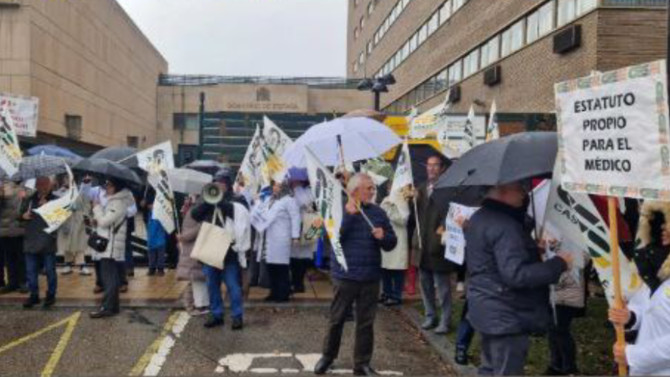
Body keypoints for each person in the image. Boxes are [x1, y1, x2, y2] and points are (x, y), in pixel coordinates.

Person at [464, 182, 572, 376]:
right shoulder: (506, 226)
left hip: (487, 307)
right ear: (504, 191)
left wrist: (530, 250)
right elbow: (516, 275)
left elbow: (492, 260)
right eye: (519, 189)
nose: (524, 194)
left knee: (489, 369)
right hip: (506, 313)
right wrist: (558, 264)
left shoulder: (479, 217)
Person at [314, 173, 397, 376]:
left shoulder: (378, 213)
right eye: (368, 188)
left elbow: (391, 243)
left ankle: (362, 364)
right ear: (354, 191)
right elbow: (331, 239)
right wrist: (349, 217)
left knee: (366, 323)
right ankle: (328, 356)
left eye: (372, 188)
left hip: (370, 276)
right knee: (337, 319)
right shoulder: (338, 211)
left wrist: (383, 236)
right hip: (345, 276)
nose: (372, 191)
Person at [608, 200, 670, 376]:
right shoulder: (654, 267)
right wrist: (630, 317)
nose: (663, 229)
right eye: (659, 222)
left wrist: (634, 355)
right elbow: (645, 305)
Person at [191, 168, 251, 330]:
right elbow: (195, 215)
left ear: (228, 184)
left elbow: (242, 216)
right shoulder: (209, 197)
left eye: (221, 183)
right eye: (216, 183)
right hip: (211, 248)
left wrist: (220, 201)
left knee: (232, 285)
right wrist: (207, 201)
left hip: (229, 251)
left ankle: (237, 316)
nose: (218, 186)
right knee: (212, 284)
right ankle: (216, 314)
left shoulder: (238, 199)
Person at [412, 154, 455, 334]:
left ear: (442, 168)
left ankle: (445, 319)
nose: (431, 168)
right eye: (428, 165)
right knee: (425, 283)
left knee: (443, 287)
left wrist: (445, 226)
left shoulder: (448, 189)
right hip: (422, 244)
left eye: (435, 165)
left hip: (438, 245)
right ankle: (430, 315)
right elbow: (414, 215)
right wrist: (412, 199)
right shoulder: (420, 188)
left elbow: (453, 212)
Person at [89, 178, 136, 318]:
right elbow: (106, 221)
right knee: (112, 278)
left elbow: (104, 221)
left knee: (108, 278)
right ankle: (113, 306)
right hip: (110, 244)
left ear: (116, 187)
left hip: (110, 247)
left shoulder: (118, 202)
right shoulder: (116, 201)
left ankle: (107, 307)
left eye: (108, 185)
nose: (106, 188)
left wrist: (96, 207)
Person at [252, 180, 301, 302]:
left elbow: (296, 218)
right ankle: (273, 292)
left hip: (282, 238)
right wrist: (257, 201)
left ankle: (283, 294)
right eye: (274, 185)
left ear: (284, 187)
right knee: (271, 266)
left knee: (281, 268)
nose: (275, 188)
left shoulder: (289, 200)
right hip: (269, 238)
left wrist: (295, 236)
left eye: (278, 186)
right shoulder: (270, 199)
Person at [546, 249, 588, 376]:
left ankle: (570, 368)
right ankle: (556, 365)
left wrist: (548, 272)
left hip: (567, 298)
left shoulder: (575, 248)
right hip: (555, 297)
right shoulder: (554, 246)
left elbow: (564, 273)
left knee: (560, 331)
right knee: (553, 331)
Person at [21, 176, 58, 309]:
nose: (41, 187)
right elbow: (20, 216)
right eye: (39, 184)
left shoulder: (56, 200)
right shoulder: (29, 200)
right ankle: (34, 295)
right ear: (36, 186)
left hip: (47, 241)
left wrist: (47, 208)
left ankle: (51, 295)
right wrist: (22, 216)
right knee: (31, 272)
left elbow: (60, 220)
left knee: (50, 271)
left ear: (49, 186)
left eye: (44, 184)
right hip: (30, 240)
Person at [176, 194, 209, 316]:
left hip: (190, 248)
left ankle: (192, 304)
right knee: (193, 278)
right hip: (193, 249)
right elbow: (192, 232)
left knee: (193, 279)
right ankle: (189, 306)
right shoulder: (195, 212)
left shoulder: (189, 210)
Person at [379, 184, 412, 306]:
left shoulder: (403, 201)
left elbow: (402, 220)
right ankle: (386, 293)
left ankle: (396, 295)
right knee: (385, 267)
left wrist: (391, 209)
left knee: (397, 269)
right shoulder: (385, 200)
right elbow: (381, 213)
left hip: (399, 238)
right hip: (387, 237)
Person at [57, 181, 91, 276]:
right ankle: (67, 264)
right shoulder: (60, 192)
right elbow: (57, 207)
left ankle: (82, 265)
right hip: (66, 221)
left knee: (80, 244)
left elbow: (87, 205)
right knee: (67, 245)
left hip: (79, 221)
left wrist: (85, 215)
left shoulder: (81, 191)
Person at [290, 175, 317, 294]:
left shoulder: (302, 191)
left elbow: (300, 203)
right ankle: (297, 282)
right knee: (298, 256)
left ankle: (298, 283)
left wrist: (296, 189)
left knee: (300, 256)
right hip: (308, 225)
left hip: (304, 225)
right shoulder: (310, 190)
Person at [0, 181, 27, 294]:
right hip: (5, 229)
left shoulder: (27, 189)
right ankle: (12, 283)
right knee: (9, 259)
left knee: (21, 258)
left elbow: (29, 208)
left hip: (20, 229)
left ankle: (23, 282)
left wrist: (25, 198)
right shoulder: (4, 188)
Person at [146, 206, 167, 276]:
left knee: (155, 255)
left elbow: (151, 228)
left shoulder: (153, 215)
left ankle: (154, 269)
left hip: (155, 239)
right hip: (158, 239)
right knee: (158, 255)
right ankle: (158, 269)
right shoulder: (154, 214)